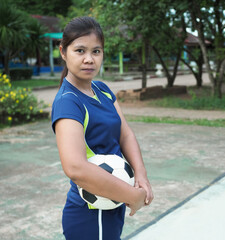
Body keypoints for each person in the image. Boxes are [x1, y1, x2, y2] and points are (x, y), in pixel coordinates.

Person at [51, 16, 153, 240]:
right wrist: (132, 195)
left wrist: (141, 175)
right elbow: (75, 167)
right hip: (91, 212)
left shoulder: (103, 89)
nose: (89, 59)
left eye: (96, 51)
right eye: (80, 51)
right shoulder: (68, 101)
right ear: (63, 52)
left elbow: (125, 133)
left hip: (111, 204)